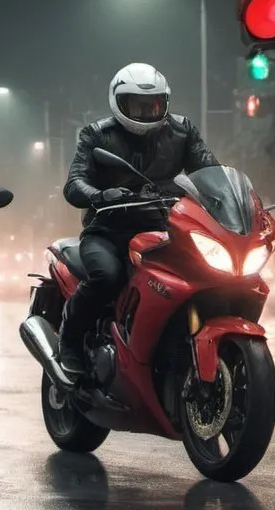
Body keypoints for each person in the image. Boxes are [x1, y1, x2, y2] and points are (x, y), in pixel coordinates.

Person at [57, 62, 219, 375]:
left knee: (204, 277)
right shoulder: (97, 135)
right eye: (137, 104)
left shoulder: (182, 131)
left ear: (165, 103)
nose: (146, 111)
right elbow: (74, 182)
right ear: (119, 102)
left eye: (154, 104)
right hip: (108, 232)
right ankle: (70, 341)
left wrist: (227, 198)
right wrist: (100, 196)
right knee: (107, 276)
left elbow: (209, 171)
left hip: (166, 231)